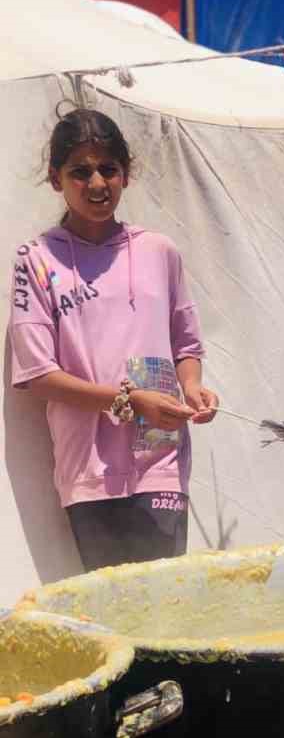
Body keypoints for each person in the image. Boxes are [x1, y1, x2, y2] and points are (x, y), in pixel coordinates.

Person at [8, 108, 217, 570]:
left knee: (167, 602)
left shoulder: (158, 251)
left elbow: (186, 345)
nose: (97, 184)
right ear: (54, 178)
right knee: (117, 611)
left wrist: (194, 387)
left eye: (109, 169)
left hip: (159, 459)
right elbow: (37, 375)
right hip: (88, 468)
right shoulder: (36, 261)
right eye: (80, 172)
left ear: (127, 173)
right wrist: (129, 398)